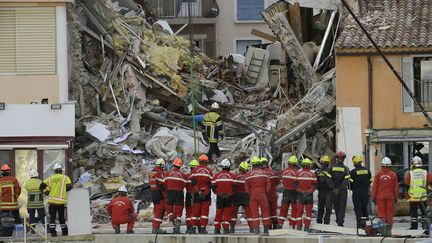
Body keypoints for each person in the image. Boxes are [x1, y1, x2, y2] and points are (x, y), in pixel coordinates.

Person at [40, 163, 71, 237]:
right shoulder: (65, 178)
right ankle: (64, 232)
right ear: (61, 170)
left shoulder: (50, 178)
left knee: (52, 218)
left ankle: (53, 233)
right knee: (61, 218)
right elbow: (69, 187)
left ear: (54, 170)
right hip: (60, 202)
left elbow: (41, 185)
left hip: (52, 201)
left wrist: (46, 192)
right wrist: (63, 190)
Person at [245, 156, 271, 234]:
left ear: (252, 165)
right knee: (265, 211)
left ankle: (256, 229)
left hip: (253, 194)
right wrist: (265, 193)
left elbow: (246, 188)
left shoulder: (248, 175)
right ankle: (266, 229)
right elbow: (268, 185)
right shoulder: (265, 173)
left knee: (254, 212)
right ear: (259, 164)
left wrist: (251, 194)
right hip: (262, 194)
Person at [405, 156, 432, 230]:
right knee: (424, 212)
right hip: (423, 196)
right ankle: (425, 226)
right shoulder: (425, 172)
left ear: (413, 164)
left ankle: (414, 226)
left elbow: (406, 183)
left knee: (414, 212)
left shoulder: (411, 173)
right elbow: (431, 182)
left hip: (413, 197)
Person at [371, 157, 398, 226]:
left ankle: (383, 226)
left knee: (381, 213)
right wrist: (396, 198)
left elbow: (374, 187)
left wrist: (373, 197)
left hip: (380, 196)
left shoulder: (378, 174)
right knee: (389, 213)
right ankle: (389, 227)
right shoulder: (393, 175)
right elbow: (395, 188)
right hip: (390, 196)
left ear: (382, 165)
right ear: (390, 165)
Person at [212, 159, 236, 234]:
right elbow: (235, 187)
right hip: (228, 197)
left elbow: (213, 187)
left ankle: (216, 229)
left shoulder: (216, 176)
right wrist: (229, 194)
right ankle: (226, 229)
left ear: (222, 166)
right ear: (229, 167)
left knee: (218, 212)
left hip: (220, 197)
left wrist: (218, 193)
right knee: (226, 213)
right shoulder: (233, 176)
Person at [190, 154, 213, 234]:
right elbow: (210, 184)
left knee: (195, 211)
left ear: (199, 161)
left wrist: (198, 191)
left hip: (197, 194)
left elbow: (193, 183)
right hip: (205, 195)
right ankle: (202, 228)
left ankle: (193, 228)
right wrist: (204, 193)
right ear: (206, 162)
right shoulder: (209, 171)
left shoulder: (194, 170)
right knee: (204, 212)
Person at [164, 158, 187, 234]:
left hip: (170, 192)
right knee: (179, 209)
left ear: (173, 165)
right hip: (179, 192)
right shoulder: (182, 175)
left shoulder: (168, 174)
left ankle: (173, 219)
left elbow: (165, 184)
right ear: (180, 166)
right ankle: (177, 224)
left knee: (169, 208)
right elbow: (184, 185)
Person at [295, 158, 317, 232]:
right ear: (309, 165)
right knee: (308, 213)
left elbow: (295, 185)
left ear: (302, 165)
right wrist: (308, 192)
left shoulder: (298, 173)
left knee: (299, 212)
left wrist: (302, 191)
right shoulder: (312, 174)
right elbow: (315, 186)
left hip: (300, 196)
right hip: (309, 196)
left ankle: (298, 227)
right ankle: (307, 227)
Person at [329, 151, 350, 226]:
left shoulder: (331, 168)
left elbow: (329, 179)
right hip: (342, 190)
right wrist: (339, 188)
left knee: (336, 206)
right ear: (344, 159)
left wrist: (334, 188)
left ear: (336, 158)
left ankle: (338, 219)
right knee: (342, 206)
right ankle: (340, 222)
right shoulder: (346, 169)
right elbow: (346, 180)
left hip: (334, 190)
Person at [349, 155, 372, 228]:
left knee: (358, 208)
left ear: (355, 162)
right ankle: (367, 224)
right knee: (364, 207)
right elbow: (370, 181)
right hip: (365, 191)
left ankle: (360, 224)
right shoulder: (367, 171)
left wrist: (352, 188)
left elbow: (350, 184)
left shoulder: (353, 172)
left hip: (357, 192)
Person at [230, 161, 252, 233]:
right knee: (248, 212)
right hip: (246, 195)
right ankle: (251, 228)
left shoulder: (236, 176)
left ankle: (232, 228)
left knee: (234, 212)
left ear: (239, 168)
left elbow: (233, 187)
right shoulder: (248, 176)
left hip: (237, 195)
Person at [278, 155, 299, 229]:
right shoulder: (297, 172)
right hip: (294, 192)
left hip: (286, 191)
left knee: (283, 209)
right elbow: (298, 183)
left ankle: (280, 224)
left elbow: (281, 180)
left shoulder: (283, 171)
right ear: (295, 163)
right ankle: (292, 224)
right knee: (294, 209)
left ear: (289, 162)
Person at [261, 157, 280, 229]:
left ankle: (269, 226)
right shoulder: (274, 172)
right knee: (273, 210)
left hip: (265, 195)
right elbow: (277, 182)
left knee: (267, 210)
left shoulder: (262, 173)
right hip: (273, 194)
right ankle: (275, 224)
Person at [24, 169, 45, 233]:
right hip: (39, 203)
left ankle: (32, 230)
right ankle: (47, 229)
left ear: (30, 175)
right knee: (42, 215)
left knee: (31, 216)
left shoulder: (27, 182)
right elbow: (45, 190)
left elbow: (26, 188)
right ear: (37, 175)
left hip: (31, 203)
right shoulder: (40, 182)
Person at [149, 158, 167, 234]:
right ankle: (156, 227)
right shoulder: (159, 172)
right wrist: (165, 195)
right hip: (159, 193)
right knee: (160, 210)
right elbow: (161, 184)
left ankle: (155, 227)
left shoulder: (152, 172)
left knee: (157, 210)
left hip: (153, 192)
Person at [315, 155, 333, 225]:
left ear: (321, 162)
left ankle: (319, 221)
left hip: (321, 192)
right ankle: (326, 222)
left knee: (321, 207)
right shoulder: (330, 171)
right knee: (328, 207)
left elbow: (314, 182)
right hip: (328, 192)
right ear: (328, 163)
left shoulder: (317, 172)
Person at [185, 159, 199, 234]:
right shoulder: (198, 176)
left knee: (188, 211)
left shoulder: (187, 176)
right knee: (196, 211)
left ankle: (188, 227)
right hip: (196, 194)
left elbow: (184, 185)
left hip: (188, 195)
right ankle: (195, 227)